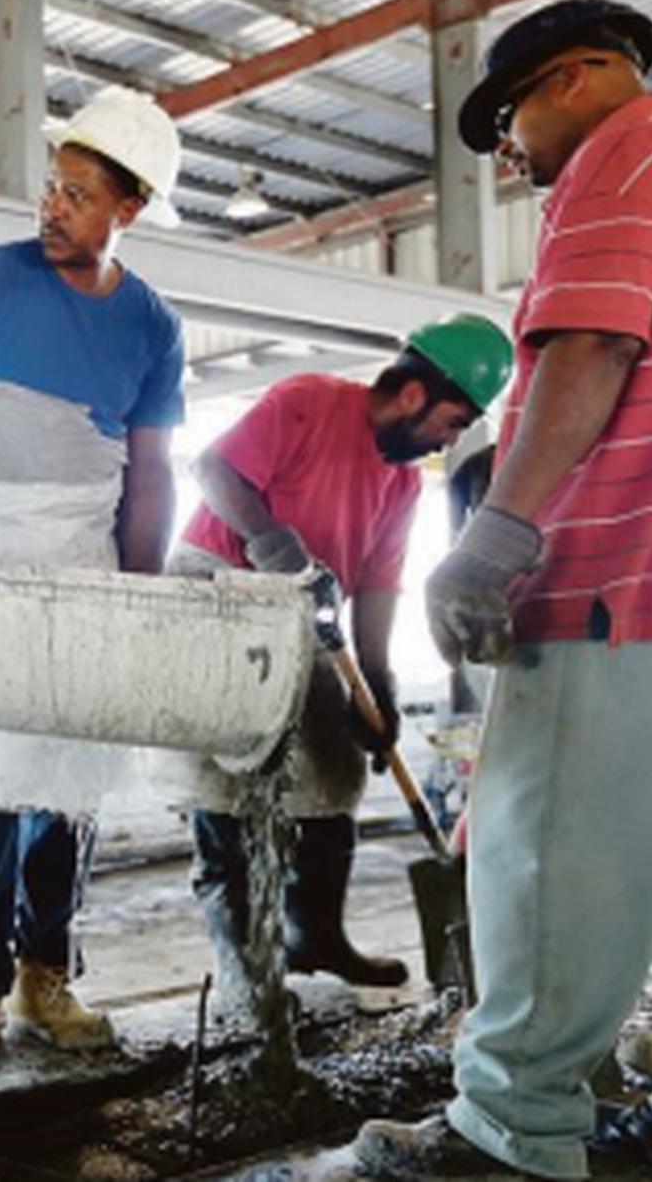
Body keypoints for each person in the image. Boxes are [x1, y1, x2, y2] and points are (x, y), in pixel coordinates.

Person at [349, 0, 652, 1180]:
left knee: (546, 848)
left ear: (573, 76)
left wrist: (495, 536)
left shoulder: (619, 157)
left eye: (507, 120)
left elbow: (590, 344)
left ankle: (510, 1127)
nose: (509, 154)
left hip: (627, 572)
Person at [0, 86, 188, 1064]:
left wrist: (139, 598)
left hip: (80, 558)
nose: (52, 207)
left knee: (67, 781)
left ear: (129, 208)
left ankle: (44, 978)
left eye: (78, 195)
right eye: (52, 186)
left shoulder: (151, 325)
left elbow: (150, 474)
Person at [171, 314, 511, 1005]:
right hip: (219, 587)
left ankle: (316, 936)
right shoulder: (308, 401)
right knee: (228, 779)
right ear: (413, 394)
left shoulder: (403, 483)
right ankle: (244, 965)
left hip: (305, 608)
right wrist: (267, 537)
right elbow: (213, 468)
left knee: (336, 765)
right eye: (453, 422)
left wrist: (377, 684)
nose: (451, 440)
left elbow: (378, 585)